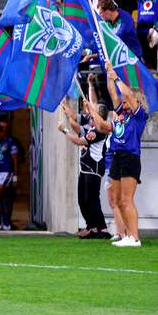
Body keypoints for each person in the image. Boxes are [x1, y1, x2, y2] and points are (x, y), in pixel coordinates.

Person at [86, 62, 146, 247]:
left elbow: (126, 93)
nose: (123, 101)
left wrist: (115, 76)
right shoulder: (122, 115)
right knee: (119, 201)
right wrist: (90, 109)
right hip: (117, 157)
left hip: (130, 157)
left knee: (127, 200)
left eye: (127, 100)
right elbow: (104, 124)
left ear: (135, 100)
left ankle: (134, 237)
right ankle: (127, 235)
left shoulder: (139, 115)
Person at [60, 82, 111, 239]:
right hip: (85, 168)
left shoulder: (100, 130)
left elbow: (80, 141)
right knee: (83, 199)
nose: (90, 110)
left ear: (99, 114)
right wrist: (63, 104)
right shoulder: (91, 126)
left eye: (93, 110)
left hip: (94, 168)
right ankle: (91, 226)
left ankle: (101, 228)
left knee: (92, 199)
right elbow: (77, 125)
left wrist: (65, 130)